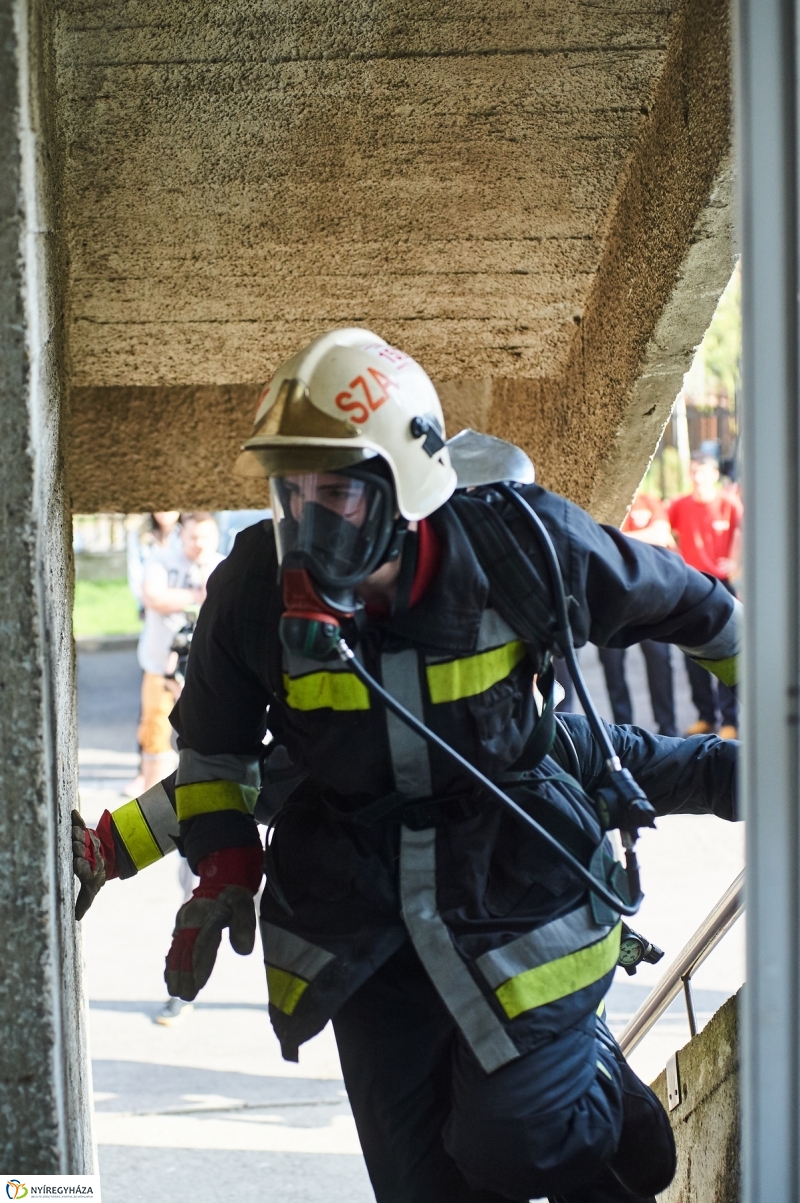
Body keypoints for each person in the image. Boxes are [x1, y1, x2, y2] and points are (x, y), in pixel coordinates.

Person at [72, 330, 742, 1203]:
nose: (306, 520)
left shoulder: (522, 549)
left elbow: (696, 607)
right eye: (292, 488)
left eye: (338, 492)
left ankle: (603, 1103)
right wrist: (226, 863)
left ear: (408, 489)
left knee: (519, 1142)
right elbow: (216, 757)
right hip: (361, 921)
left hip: (515, 887)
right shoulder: (251, 590)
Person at [136, 512, 223, 793]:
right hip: (161, 662)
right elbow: (154, 597)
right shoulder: (162, 560)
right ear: (182, 535)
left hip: (207, 668)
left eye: (206, 537)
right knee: (155, 734)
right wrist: (199, 596)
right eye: (194, 537)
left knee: (206, 736)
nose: (200, 544)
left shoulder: (222, 565)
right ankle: (148, 802)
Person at [669, 455, 743, 739]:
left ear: (713, 474)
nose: (698, 477)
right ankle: (705, 717)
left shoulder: (728, 503)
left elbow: (743, 529)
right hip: (691, 586)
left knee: (724, 653)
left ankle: (730, 721)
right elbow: (667, 531)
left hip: (721, 585)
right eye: (694, 472)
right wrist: (677, 559)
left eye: (703, 472)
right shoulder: (680, 505)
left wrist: (735, 562)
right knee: (693, 656)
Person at [597, 493, 677, 736]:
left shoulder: (648, 501)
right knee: (612, 670)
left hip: (648, 599)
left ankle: (667, 728)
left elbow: (660, 534)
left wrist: (611, 539)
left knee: (659, 662)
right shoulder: (604, 502)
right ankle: (623, 730)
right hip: (609, 602)